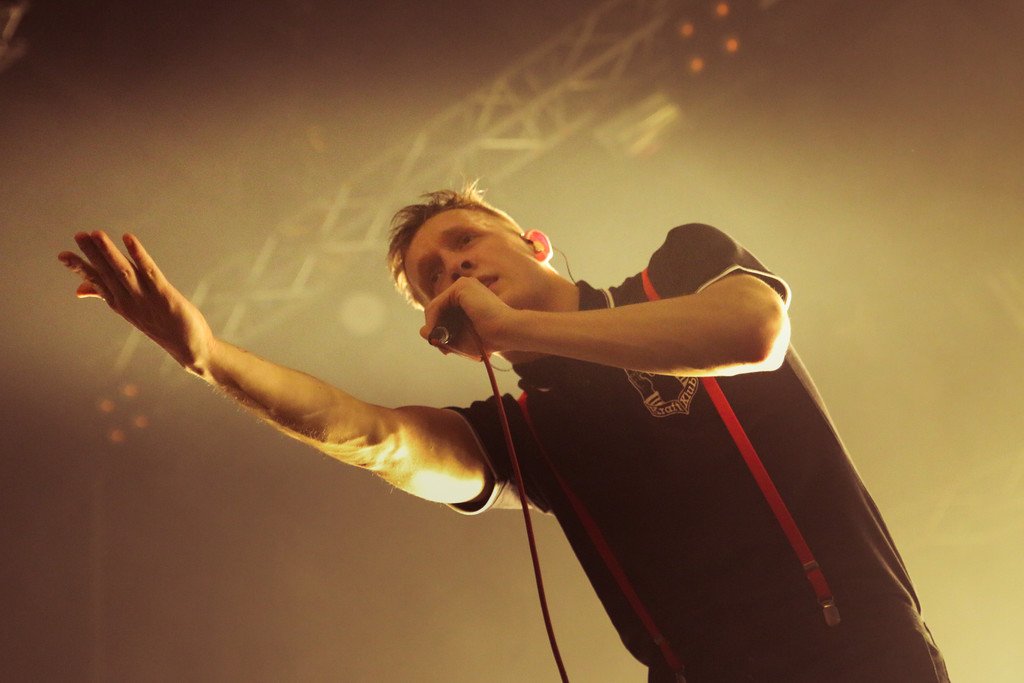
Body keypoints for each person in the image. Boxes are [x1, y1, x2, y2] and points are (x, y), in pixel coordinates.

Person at [59, 184, 948, 682]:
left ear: (534, 240)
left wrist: (520, 329)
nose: (453, 265)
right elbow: (376, 436)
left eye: (464, 243)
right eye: (432, 277)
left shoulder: (679, 264)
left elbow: (753, 335)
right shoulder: (523, 434)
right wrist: (209, 357)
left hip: (861, 653)